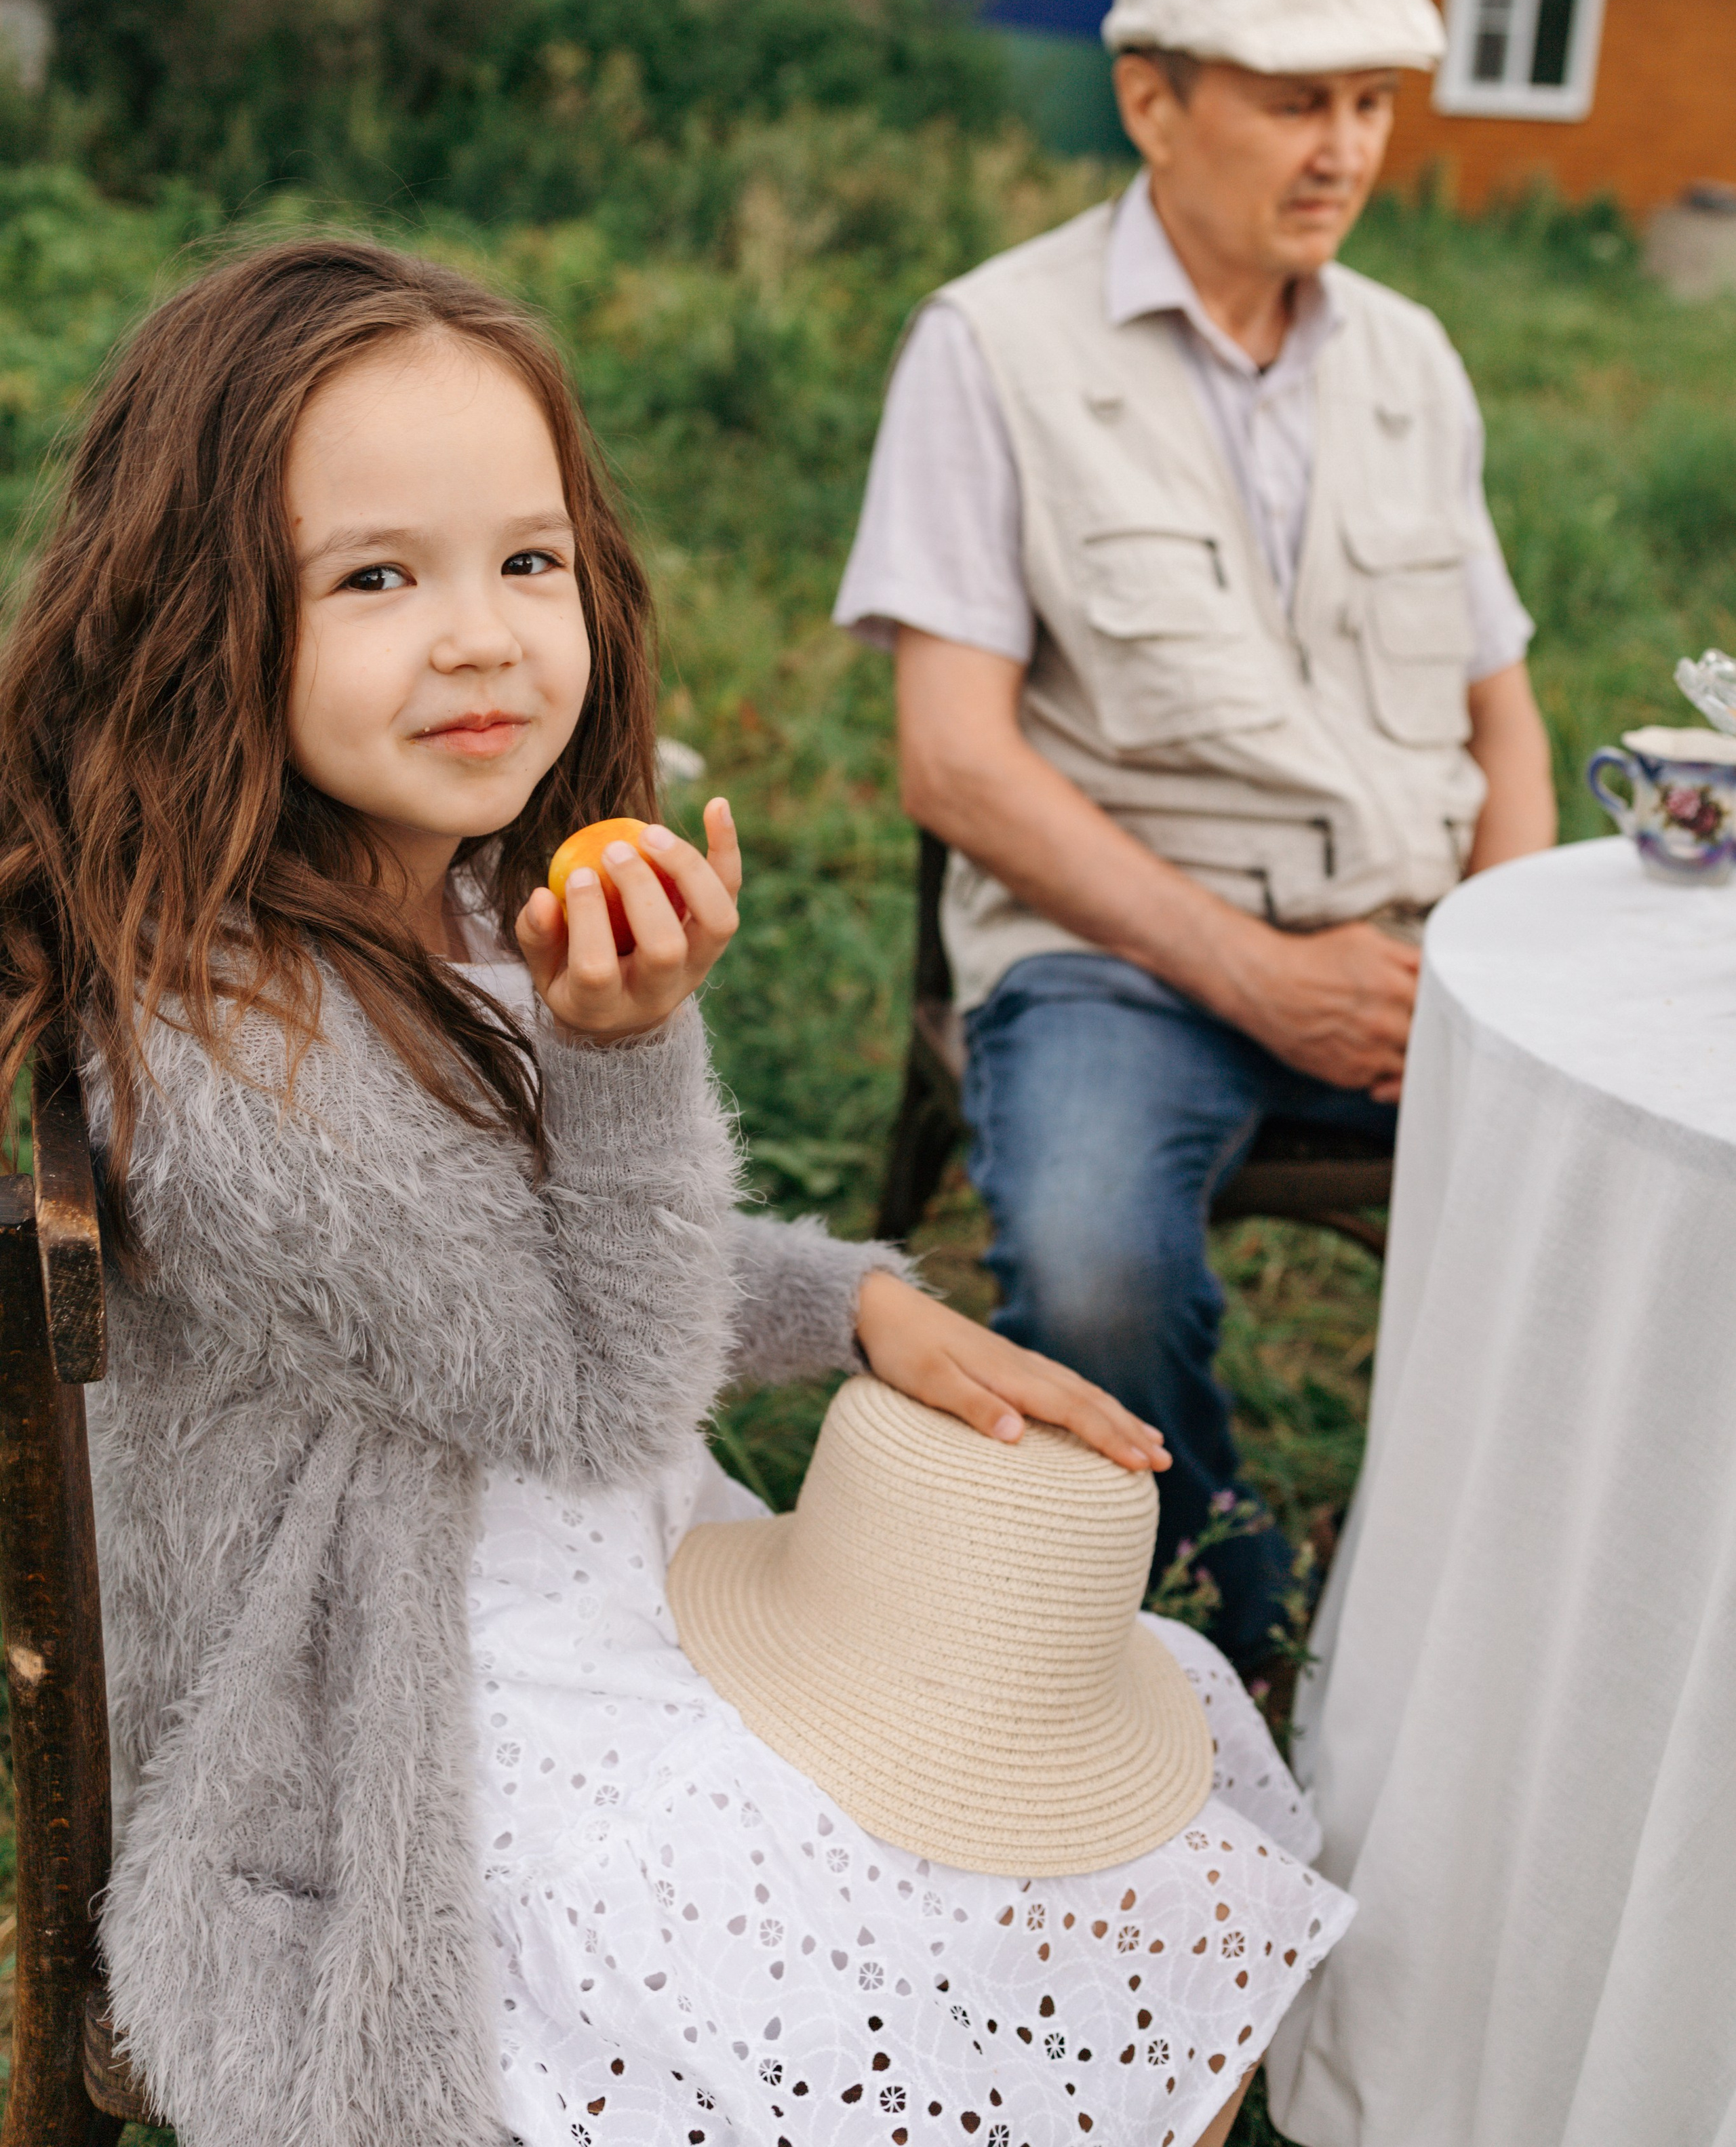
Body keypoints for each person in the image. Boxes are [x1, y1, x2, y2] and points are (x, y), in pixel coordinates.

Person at [0, 235, 1352, 2147]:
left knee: (1135, 1814)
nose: (480, 636)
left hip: (596, 1567)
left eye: (523, 560)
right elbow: (587, 1390)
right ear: (205, 613)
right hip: (396, 1717)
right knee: (970, 1934)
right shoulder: (226, 1057)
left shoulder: (444, 891)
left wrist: (861, 1299)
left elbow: (548, 1277)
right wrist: (630, 1054)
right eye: (378, 576)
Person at [835, 0, 1558, 1672]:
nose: (1347, 151)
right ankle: (1230, 1600)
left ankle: (1496, 1644)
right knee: (1093, 1270)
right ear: (1151, 104)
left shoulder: (1411, 361)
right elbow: (953, 756)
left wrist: (1493, 974)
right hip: (1119, 963)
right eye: (1297, 102)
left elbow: (1509, 721)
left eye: (1374, 106)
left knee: (1630, 1214)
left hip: (1408, 955)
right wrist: (1252, 975)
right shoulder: (991, 347)